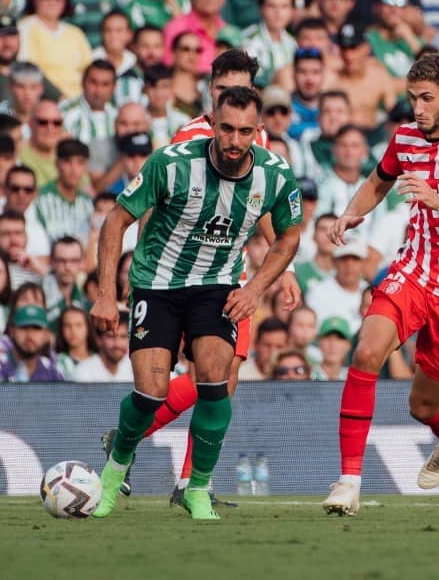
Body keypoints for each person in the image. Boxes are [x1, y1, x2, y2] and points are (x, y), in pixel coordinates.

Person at [90, 85, 302, 521]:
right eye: (226, 129)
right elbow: (117, 219)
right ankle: (115, 468)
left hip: (217, 285)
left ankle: (197, 488)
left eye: (245, 132)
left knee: (214, 380)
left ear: (258, 131)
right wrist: (106, 294)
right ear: (212, 123)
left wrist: (255, 288)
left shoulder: (276, 174)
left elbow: (289, 235)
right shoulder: (172, 163)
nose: (234, 141)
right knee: (151, 393)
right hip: (158, 282)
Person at [322, 53, 439, 516]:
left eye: (427, 98)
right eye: (412, 98)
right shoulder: (405, 137)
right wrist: (354, 211)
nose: (418, 108)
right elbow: (379, 178)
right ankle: (349, 482)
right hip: (415, 269)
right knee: (367, 351)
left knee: (424, 406)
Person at [17, 0, 92, 99]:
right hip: (44, 101)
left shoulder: (75, 33)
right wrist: (60, 97)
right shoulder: (25, 28)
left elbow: (89, 71)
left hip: (79, 100)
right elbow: (28, 70)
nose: (52, 0)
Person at [0, 303, 65, 382]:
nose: (30, 335)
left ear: (46, 334)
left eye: (36, 328)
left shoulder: (52, 371)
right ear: (12, 331)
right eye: (23, 328)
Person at [74, 309, 133, 382]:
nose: (117, 344)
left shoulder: (133, 369)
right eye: (111, 336)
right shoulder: (83, 372)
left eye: (123, 336)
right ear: (99, 340)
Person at [311, 316, 351, 381]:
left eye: (339, 338)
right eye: (327, 338)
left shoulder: (353, 379)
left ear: (348, 345)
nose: (333, 344)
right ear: (319, 342)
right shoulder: (305, 375)